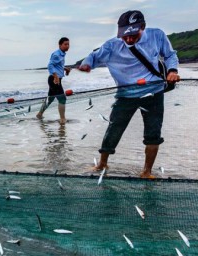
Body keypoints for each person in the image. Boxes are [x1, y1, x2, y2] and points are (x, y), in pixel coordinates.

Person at [77, 10, 180, 179]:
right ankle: (102, 164)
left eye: (133, 35)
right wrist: (87, 64)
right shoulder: (112, 45)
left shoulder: (157, 36)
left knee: (153, 134)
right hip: (125, 94)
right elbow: (93, 57)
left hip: (153, 92)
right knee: (114, 129)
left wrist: (173, 70)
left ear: (143, 27)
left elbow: (170, 55)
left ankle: (147, 172)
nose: (129, 39)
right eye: (125, 35)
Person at [36, 37, 71, 125]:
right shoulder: (56, 54)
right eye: (65, 44)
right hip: (54, 80)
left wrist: (65, 68)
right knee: (62, 98)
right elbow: (50, 66)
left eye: (68, 44)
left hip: (55, 79)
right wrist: (55, 76)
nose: (67, 46)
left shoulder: (62, 54)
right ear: (60, 45)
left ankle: (39, 114)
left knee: (50, 99)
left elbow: (57, 65)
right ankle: (62, 119)